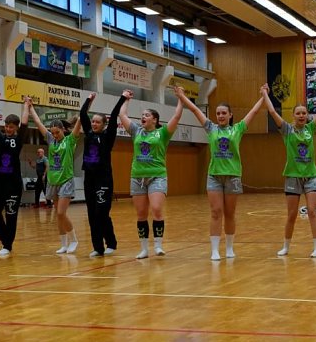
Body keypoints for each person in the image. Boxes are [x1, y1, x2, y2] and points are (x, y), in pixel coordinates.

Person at [177, 85, 266, 260]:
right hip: (214, 176)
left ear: (230, 115)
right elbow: (195, 110)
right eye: (218, 113)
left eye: (224, 113)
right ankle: (215, 250)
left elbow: (254, 113)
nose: (220, 116)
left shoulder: (238, 129)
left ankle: (230, 247)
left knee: (230, 213)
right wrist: (182, 96)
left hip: (233, 176)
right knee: (216, 212)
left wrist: (264, 96)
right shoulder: (211, 128)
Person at [263, 83, 316, 257]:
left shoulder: (310, 128)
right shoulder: (287, 130)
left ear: (307, 115)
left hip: (310, 176)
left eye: (304, 113)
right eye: (298, 113)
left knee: (312, 211)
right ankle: (286, 246)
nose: (301, 115)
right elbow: (272, 112)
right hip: (292, 176)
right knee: (292, 214)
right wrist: (265, 94)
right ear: (293, 115)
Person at [118, 86, 185, 259]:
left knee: (156, 209)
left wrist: (180, 98)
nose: (143, 117)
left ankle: (158, 245)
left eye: (147, 115)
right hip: (137, 177)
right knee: (141, 214)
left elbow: (177, 116)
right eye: (142, 115)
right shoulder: (136, 131)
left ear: (155, 119)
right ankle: (144, 249)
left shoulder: (162, 133)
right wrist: (126, 100)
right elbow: (122, 115)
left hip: (157, 176)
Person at [28, 105, 82, 254]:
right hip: (53, 181)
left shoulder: (70, 141)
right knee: (58, 215)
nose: (55, 135)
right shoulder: (51, 140)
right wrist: (31, 107)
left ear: (63, 130)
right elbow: (38, 123)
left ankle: (74, 240)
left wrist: (87, 105)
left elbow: (80, 122)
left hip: (66, 180)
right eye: (53, 133)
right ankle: (63, 244)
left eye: (57, 132)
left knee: (60, 213)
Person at [79, 91, 126, 257]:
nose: (94, 124)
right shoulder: (89, 133)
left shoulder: (108, 135)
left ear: (104, 124)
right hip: (89, 179)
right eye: (93, 121)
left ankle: (111, 242)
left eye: (98, 122)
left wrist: (123, 98)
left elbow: (114, 116)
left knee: (102, 212)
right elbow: (82, 114)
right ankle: (97, 247)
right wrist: (89, 100)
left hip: (104, 178)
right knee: (92, 214)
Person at [0, 92, 30, 256]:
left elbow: (25, 122)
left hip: (13, 184)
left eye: (11, 126)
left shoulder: (18, 140)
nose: (7, 128)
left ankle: (7, 245)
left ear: (16, 128)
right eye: (6, 126)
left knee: (11, 214)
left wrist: (26, 104)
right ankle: (5, 240)